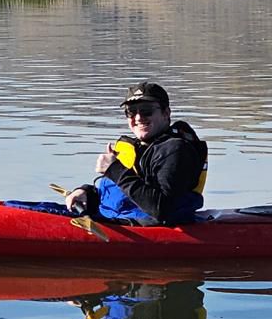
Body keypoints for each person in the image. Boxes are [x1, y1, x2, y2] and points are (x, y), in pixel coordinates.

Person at [64, 81, 207, 226]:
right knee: (42, 208)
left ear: (166, 113)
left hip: (138, 227)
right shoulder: (142, 147)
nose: (138, 118)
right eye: (131, 111)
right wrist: (87, 192)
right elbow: (128, 191)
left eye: (146, 110)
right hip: (112, 216)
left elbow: (161, 208)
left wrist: (114, 169)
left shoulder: (176, 151)